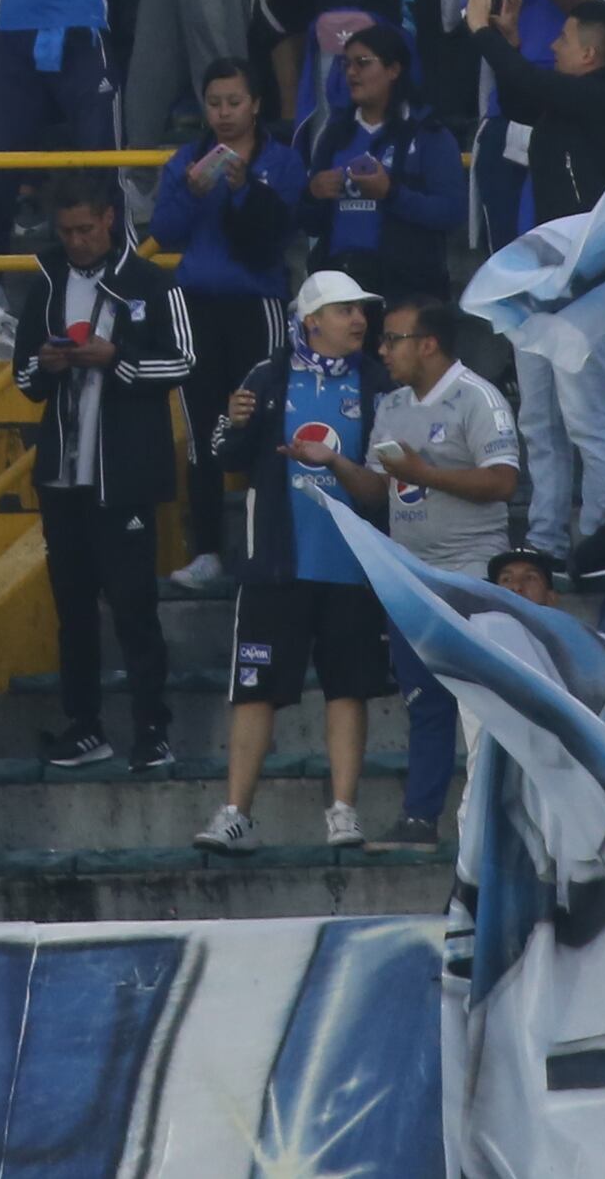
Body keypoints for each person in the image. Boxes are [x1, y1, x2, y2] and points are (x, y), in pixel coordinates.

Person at [199, 268, 394, 857]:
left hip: (352, 565)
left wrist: (336, 466)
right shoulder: (269, 374)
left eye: (360, 310)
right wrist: (231, 422)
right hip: (276, 565)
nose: (358, 319)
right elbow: (221, 455)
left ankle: (342, 812)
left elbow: (383, 481)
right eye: (343, 311)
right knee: (254, 692)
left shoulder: (378, 382)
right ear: (310, 322)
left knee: (348, 690)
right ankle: (236, 814)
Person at [341, 289, 523, 845]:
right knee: (423, 700)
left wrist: (427, 475)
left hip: (469, 573)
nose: (382, 349)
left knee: (482, 705)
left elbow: (503, 482)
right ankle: (421, 818)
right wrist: (332, 465)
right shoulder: (392, 405)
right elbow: (377, 489)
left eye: (393, 340)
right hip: (409, 576)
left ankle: (494, 823)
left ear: (430, 345)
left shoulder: (478, 398)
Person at [14, 180, 182, 776]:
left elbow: (183, 361)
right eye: (66, 233)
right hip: (63, 475)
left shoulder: (153, 283)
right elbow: (23, 377)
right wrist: (49, 363)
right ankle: (85, 726)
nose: (77, 242)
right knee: (73, 609)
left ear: (110, 218)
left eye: (86, 229)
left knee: (135, 605)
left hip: (126, 474)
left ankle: (152, 729)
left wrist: (119, 361)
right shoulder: (48, 285)